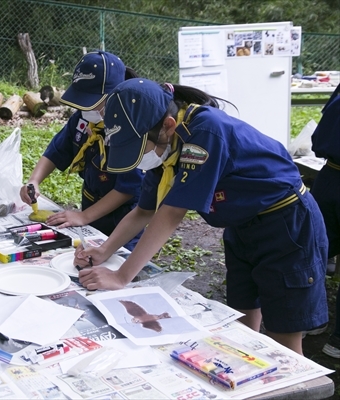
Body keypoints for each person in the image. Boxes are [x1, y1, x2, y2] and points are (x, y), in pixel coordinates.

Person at [74, 78, 328, 355]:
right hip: (240, 226)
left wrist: (121, 277)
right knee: (241, 321)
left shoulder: (206, 133)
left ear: (168, 125)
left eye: (139, 148)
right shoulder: (165, 147)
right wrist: (103, 251)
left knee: (283, 334)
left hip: (286, 227)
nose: (141, 157)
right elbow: (144, 210)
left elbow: (171, 213)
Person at [20, 51, 144, 250]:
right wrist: (34, 180)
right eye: (82, 101)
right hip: (92, 211)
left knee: (116, 267)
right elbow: (57, 150)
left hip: (124, 220)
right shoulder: (82, 118)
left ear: (115, 95)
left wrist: (83, 216)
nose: (85, 109)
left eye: (92, 102)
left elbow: (127, 188)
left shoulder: (129, 128)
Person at [312, 84, 340, 358]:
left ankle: (313, 319)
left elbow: (318, 138)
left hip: (328, 177)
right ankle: (338, 339)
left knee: (317, 253)